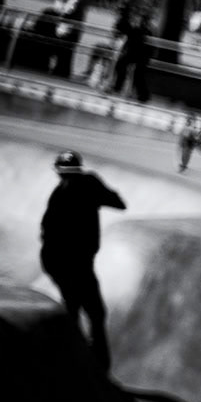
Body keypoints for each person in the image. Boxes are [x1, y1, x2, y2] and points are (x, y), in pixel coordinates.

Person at [40, 151, 125, 370]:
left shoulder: (59, 193)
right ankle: (91, 364)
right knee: (94, 313)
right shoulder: (86, 184)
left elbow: (45, 231)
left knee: (76, 309)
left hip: (58, 261)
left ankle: (74, 361)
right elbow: (119, 203)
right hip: (73, 263)